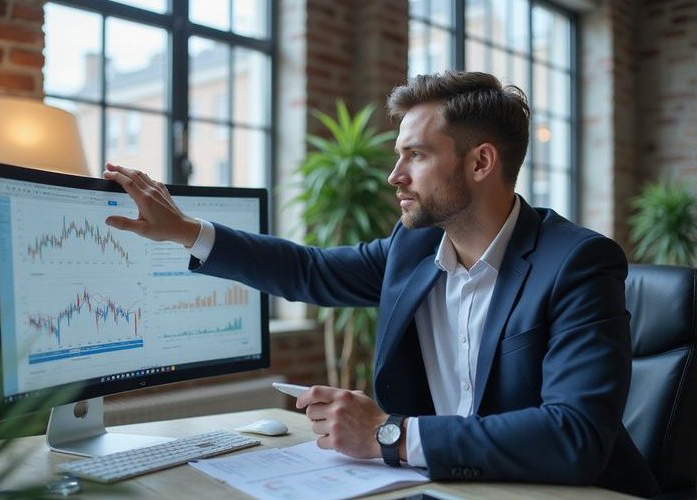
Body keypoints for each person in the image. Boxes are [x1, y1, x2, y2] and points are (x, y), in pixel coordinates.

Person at [103, 70, 659, 497]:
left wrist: (389, 434)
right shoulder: (412, 248)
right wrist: (185, 231)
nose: (395, 176)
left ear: (481, 162)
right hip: (451, 486)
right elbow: (310, 271)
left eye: (416, 155)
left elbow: (574, 435)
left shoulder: (578, 263)